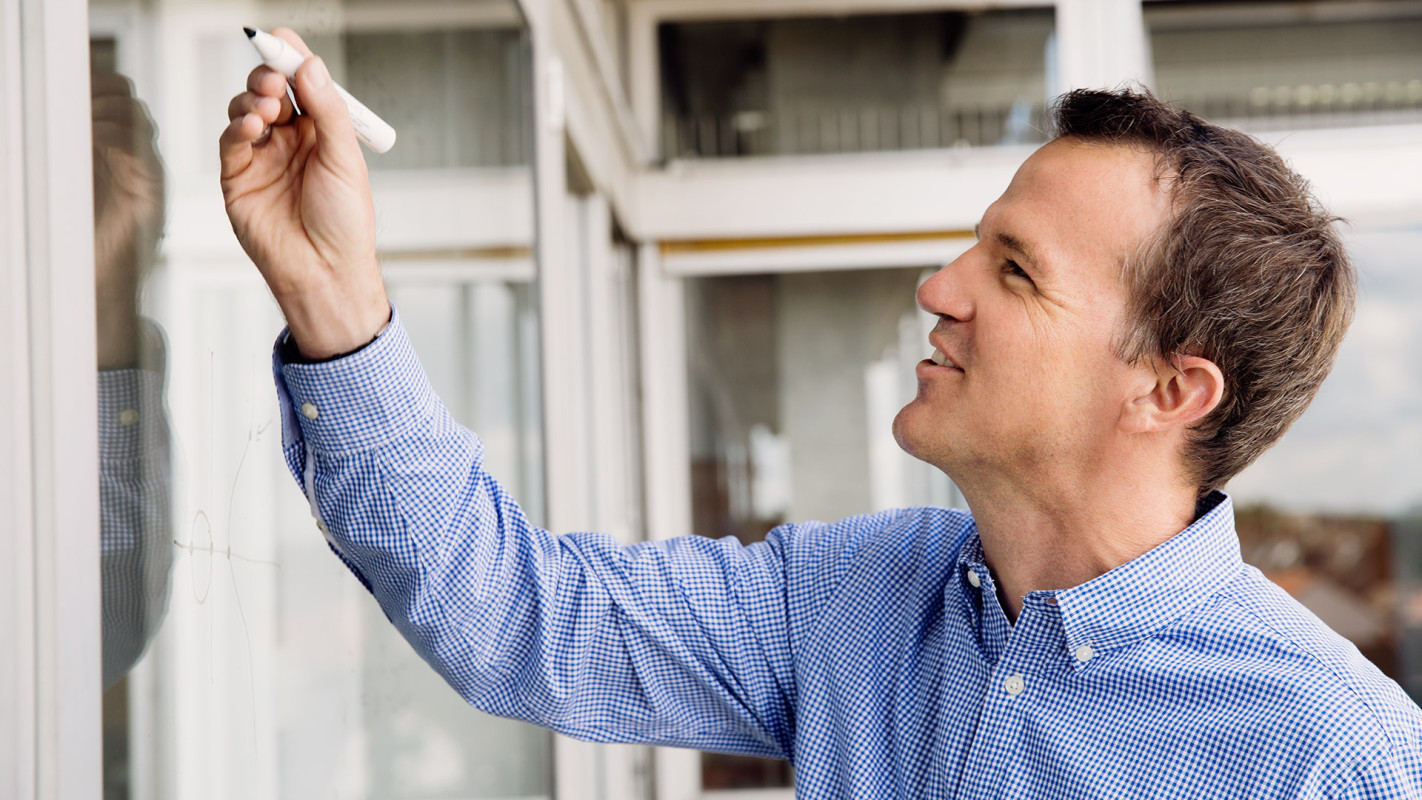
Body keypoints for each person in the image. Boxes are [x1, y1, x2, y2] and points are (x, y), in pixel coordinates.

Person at [219, 29, 1422, 798]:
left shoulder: (1334, 755)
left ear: (1170, 388)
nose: (938, 288)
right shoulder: (846, 599)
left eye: (1014, 271)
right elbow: (514, 614)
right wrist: (335, 293)